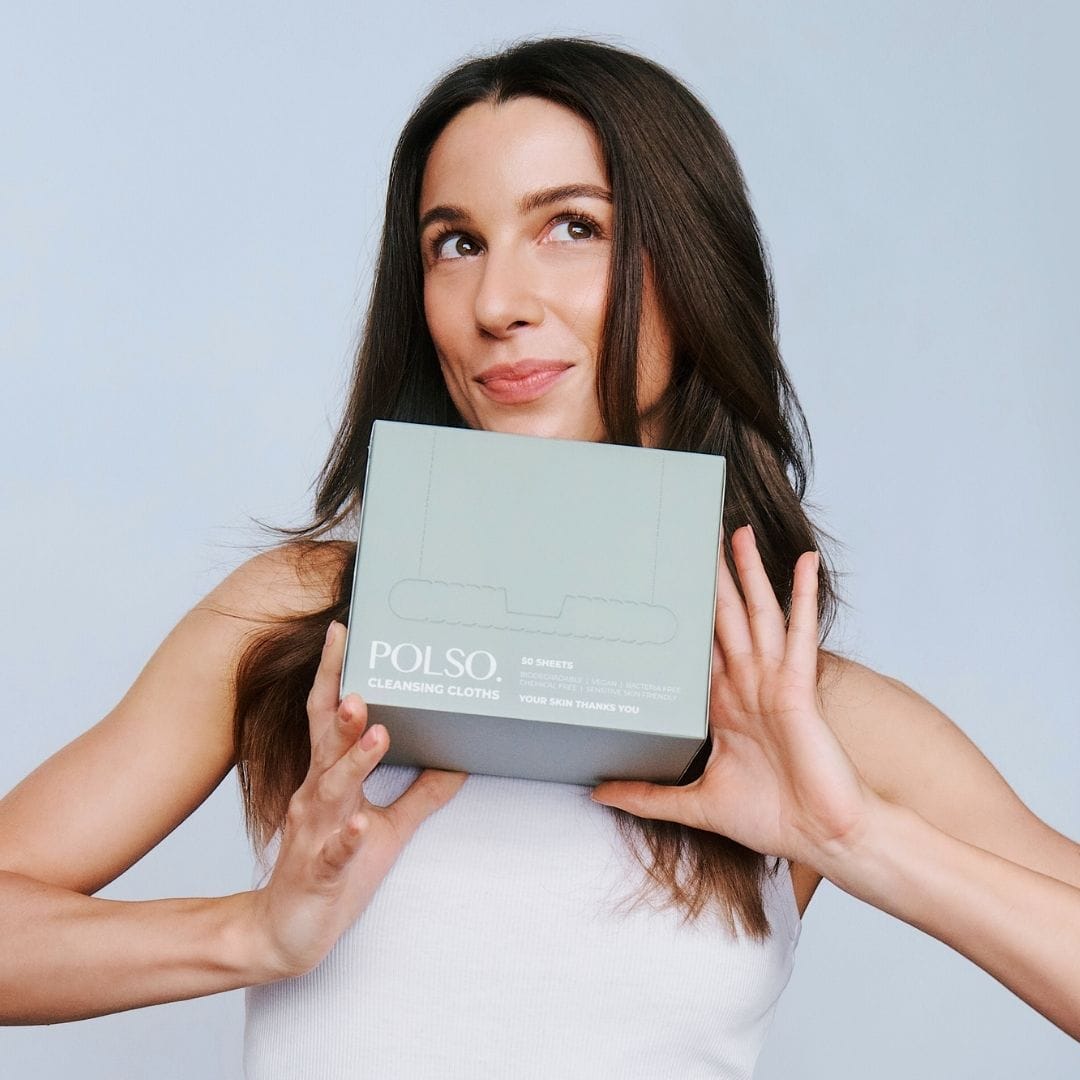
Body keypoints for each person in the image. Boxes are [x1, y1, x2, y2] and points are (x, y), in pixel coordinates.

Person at [1, 34, 1077, 1078]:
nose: (498, 305)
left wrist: (855, 838)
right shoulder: (305, 626)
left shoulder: (802, 712)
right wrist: (254, 936)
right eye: (454, 243)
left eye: (572, 226)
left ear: (691, 266)